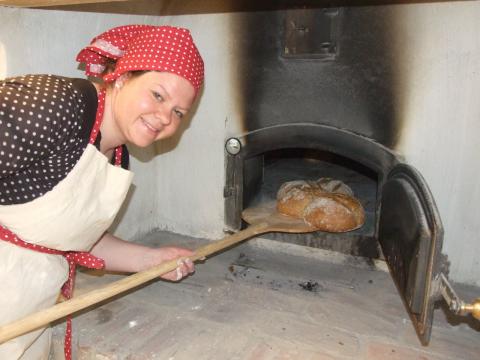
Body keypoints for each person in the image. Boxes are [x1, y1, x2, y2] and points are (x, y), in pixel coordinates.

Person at [0, 24, 204, 359]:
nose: (165, 117)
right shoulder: (55, 106)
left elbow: (71, 236)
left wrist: (151, 260)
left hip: (25, 321)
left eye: (178, 112)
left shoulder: (117, 156)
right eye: (158, 95)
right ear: (122, 77)